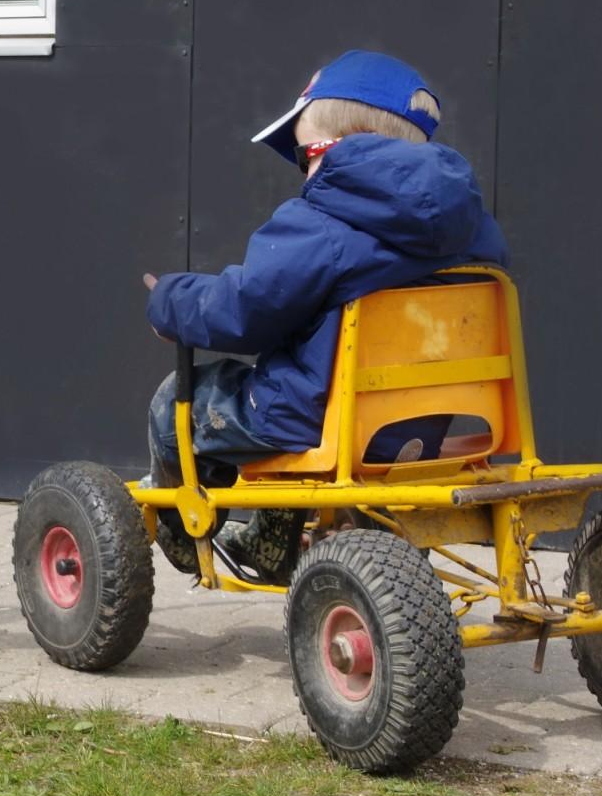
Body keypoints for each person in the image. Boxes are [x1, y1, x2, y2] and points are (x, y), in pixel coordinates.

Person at [141, 50, 508, 582]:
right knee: (291, 376)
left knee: (184, 401)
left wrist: (170, 300)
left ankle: (183, 528)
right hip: (421, 427)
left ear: (340, 149)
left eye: (305, 154)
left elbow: (243, 312)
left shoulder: (318, 225)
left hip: (316, 421)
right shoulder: (477, 232)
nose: (304, 172)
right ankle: (310, 550)